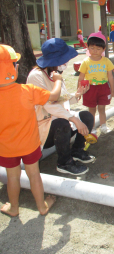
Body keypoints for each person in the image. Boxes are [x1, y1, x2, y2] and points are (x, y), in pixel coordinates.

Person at [0, 45, 59, 216]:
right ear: (15, 67)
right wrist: (59, 81)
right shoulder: (28, 91)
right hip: (30, 145)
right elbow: (54, 96)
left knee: (12, 177)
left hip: (6, 148)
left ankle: (14, 208)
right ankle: (42, 207)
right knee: (34, 174)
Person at [27, 38, 93, 176]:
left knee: (87, 116)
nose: (66, 63)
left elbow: (61, 99)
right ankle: (64, 162)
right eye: (64, 59)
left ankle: (76, 151)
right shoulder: (36, 76)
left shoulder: (55, 74)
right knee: (62, 123)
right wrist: (74, 119)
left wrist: (77, 94)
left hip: (59, 119)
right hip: (43, 125)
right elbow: (49, 105)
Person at [78, 32, 114, 133]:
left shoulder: (106, 61)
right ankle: (92, 128)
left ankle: (103, 126)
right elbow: (81, 77)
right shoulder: (85, 62)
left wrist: (113, 91)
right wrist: (79, 91)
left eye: (98, 49)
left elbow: (110, 77)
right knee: (91, 109)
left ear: (103, 49)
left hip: (103, 87)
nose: (95, 51)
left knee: (102, 108)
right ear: (88, 48)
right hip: (89, 88)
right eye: (92, 48)